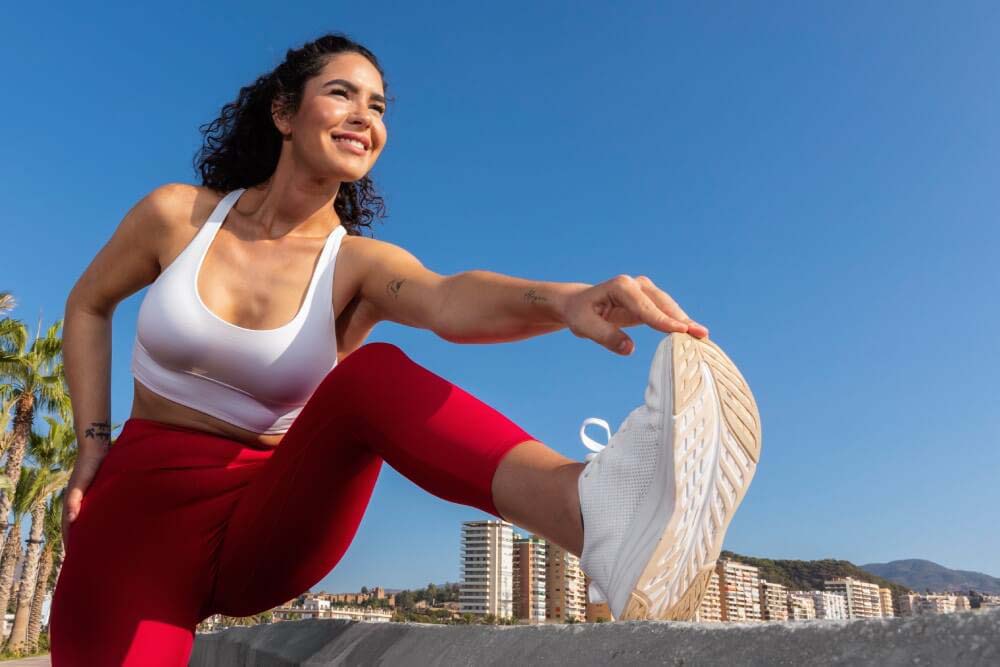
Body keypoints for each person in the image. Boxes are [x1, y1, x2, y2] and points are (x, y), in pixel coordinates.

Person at [49, 33, 761, 665]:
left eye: (379, 105)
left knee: (370, 377)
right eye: (342, 93)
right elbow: (88, 303)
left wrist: (566, 300)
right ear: (283, 113)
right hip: (134, 520)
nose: (367, 117)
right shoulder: (177, 215)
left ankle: (591, 510)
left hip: (265, 513)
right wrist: (92, 441)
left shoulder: (352, 264)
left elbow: (449, 298)